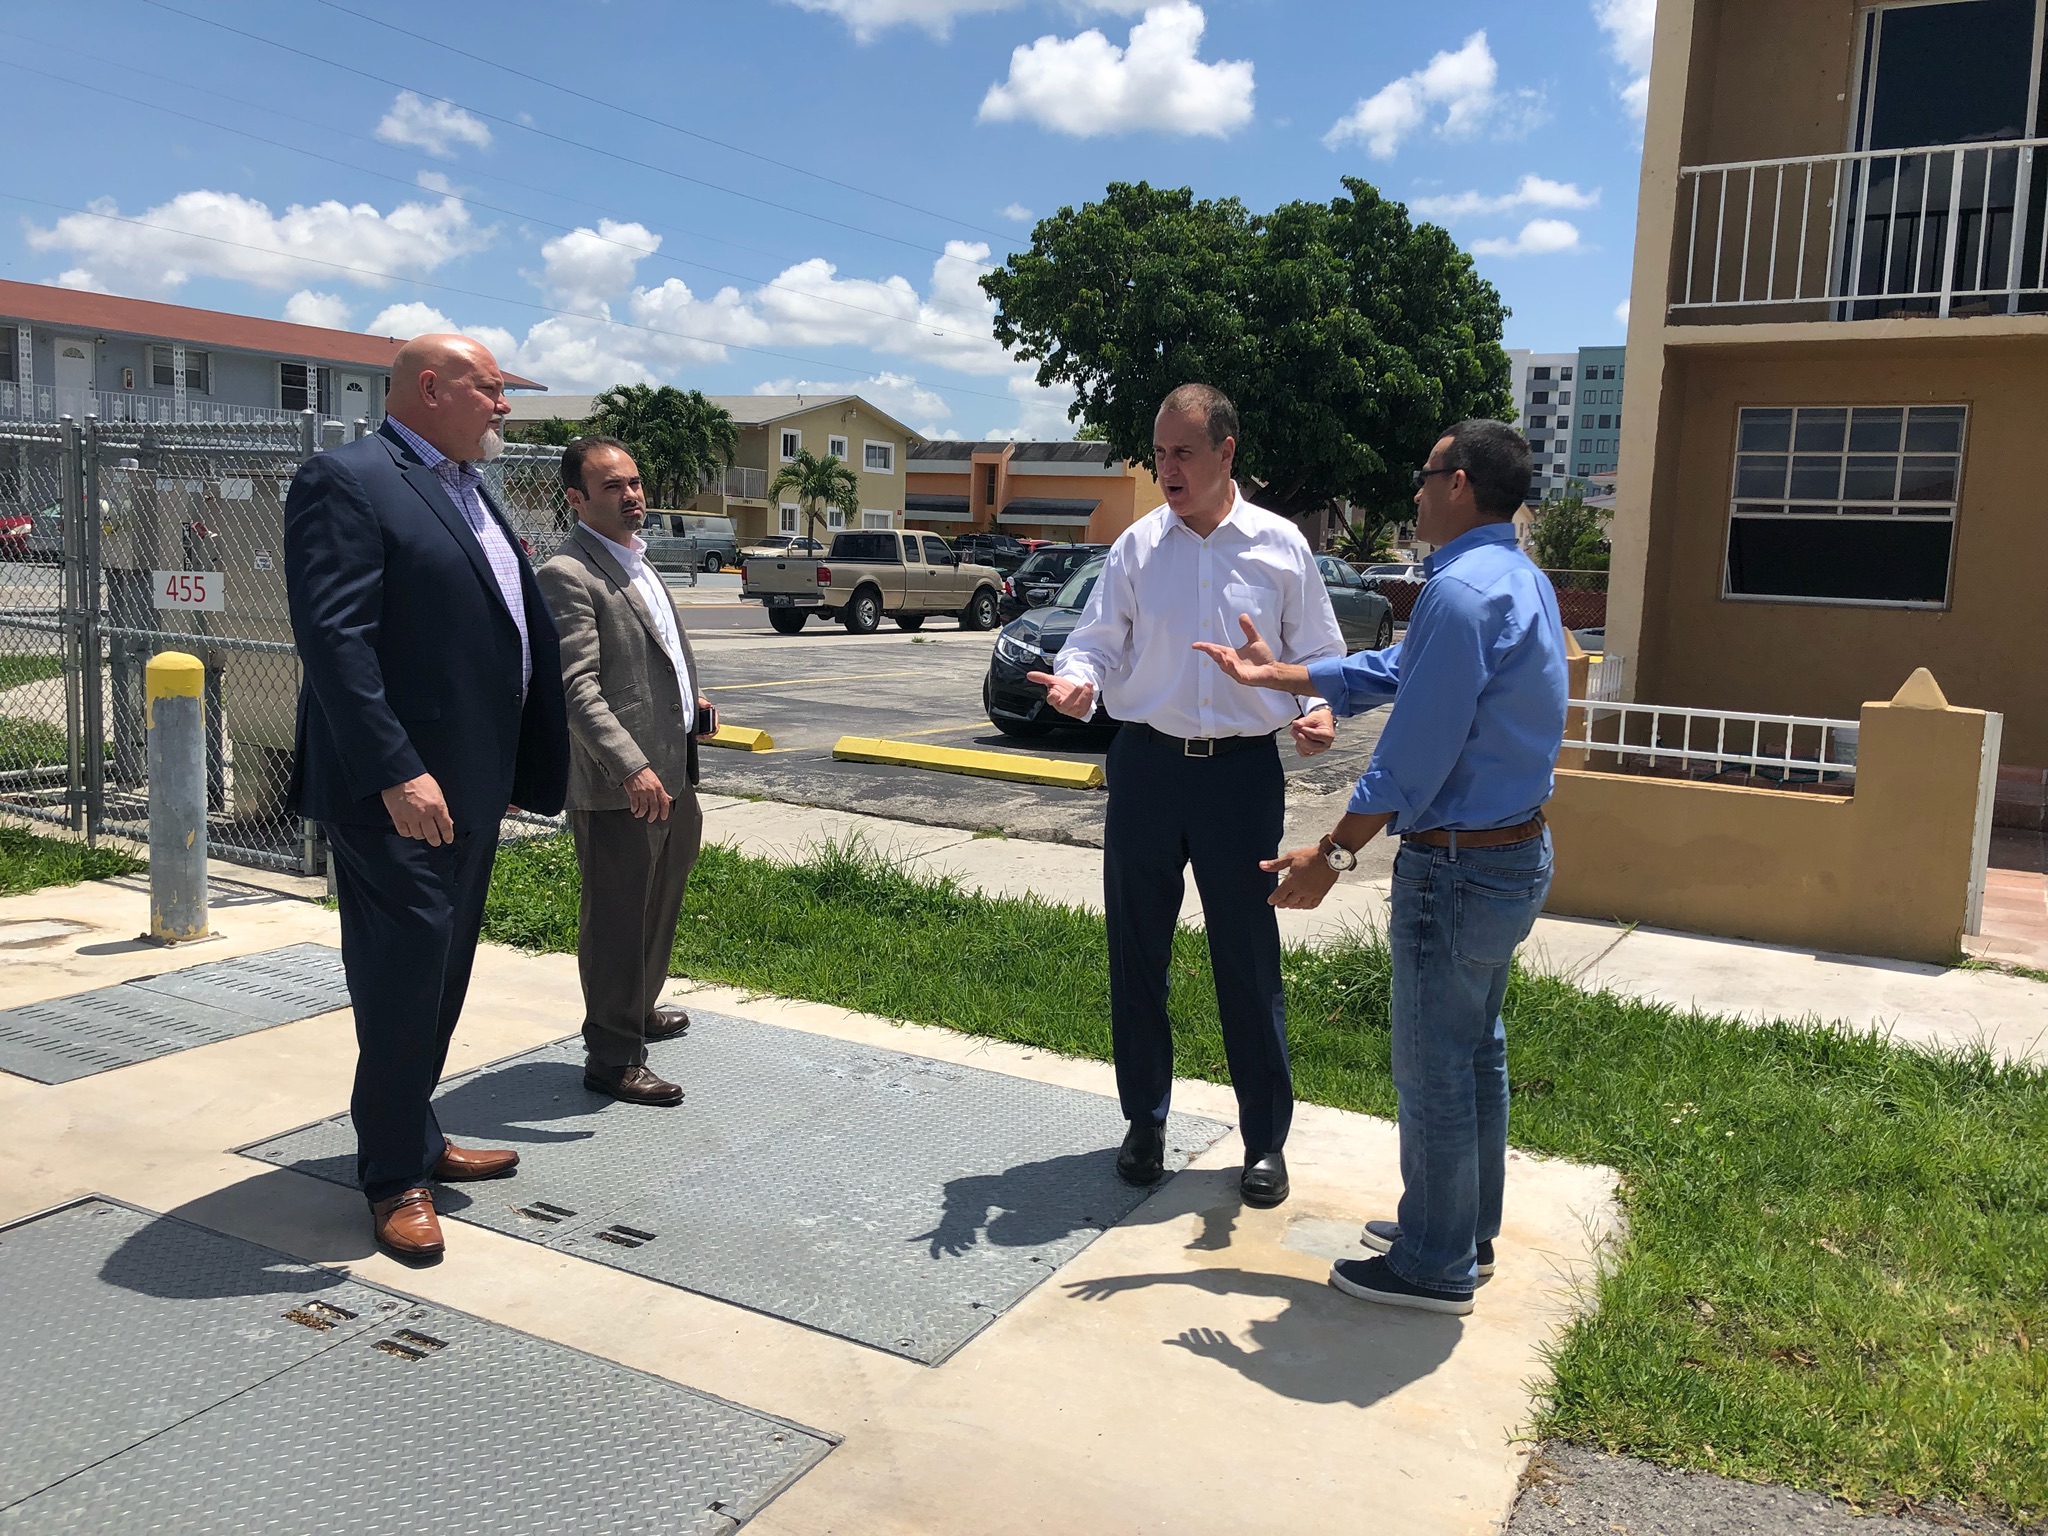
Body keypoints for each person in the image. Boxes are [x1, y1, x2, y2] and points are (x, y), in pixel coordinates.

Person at [1193, 418, 1567, 1314]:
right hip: (1512, 853)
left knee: (1433, 1062)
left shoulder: (1463, 592)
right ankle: (1458, 1230)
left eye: (1426, 473)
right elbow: (1402, 668)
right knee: (1474, 1052)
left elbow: (1416, 752)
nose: (1415, 490)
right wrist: (1287, 676)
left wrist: (1332, 851)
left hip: (1458, 866)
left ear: (1463, 483)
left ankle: (1433, 1264)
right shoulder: (1513, 579)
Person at [285, 334, 569, 1266]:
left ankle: (416, 1132)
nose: (504, 407)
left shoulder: (462, 485)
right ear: (432, 387)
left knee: (442, 972)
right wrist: (395, 770)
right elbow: (336, 644)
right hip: (399, 793)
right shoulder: (347, 480)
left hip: (468, 788)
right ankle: (391, 1176)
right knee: (404, 976)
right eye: (492, 390)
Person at [1029, 384, 1346, 1209]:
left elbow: (1319, 654)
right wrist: (1076, 683)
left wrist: (1316, 710)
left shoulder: (1279, 547)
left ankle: (1264, 1141)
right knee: (1137, 953)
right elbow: (1096, 640)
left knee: (1246, 956)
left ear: (1226, 451)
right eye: (1160, 453)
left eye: (1183, 453)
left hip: (1241, 775)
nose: (1167, 468)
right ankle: (1144, 1121)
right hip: (1147, 766)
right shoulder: (1138, 547)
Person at [535, 438, 712, 1107]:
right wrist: (631, 764)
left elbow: (651, 657)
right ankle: (611, 1056)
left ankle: (636, 1012)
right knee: (615, 918)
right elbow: (576, 689)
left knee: (660, 900)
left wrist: (690, 703)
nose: (633, 496)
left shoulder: (638, 561)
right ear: (578, 499)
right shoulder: (568, 573)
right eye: (614, 487)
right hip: (621, 786)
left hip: (674, 770)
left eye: (636, 483)